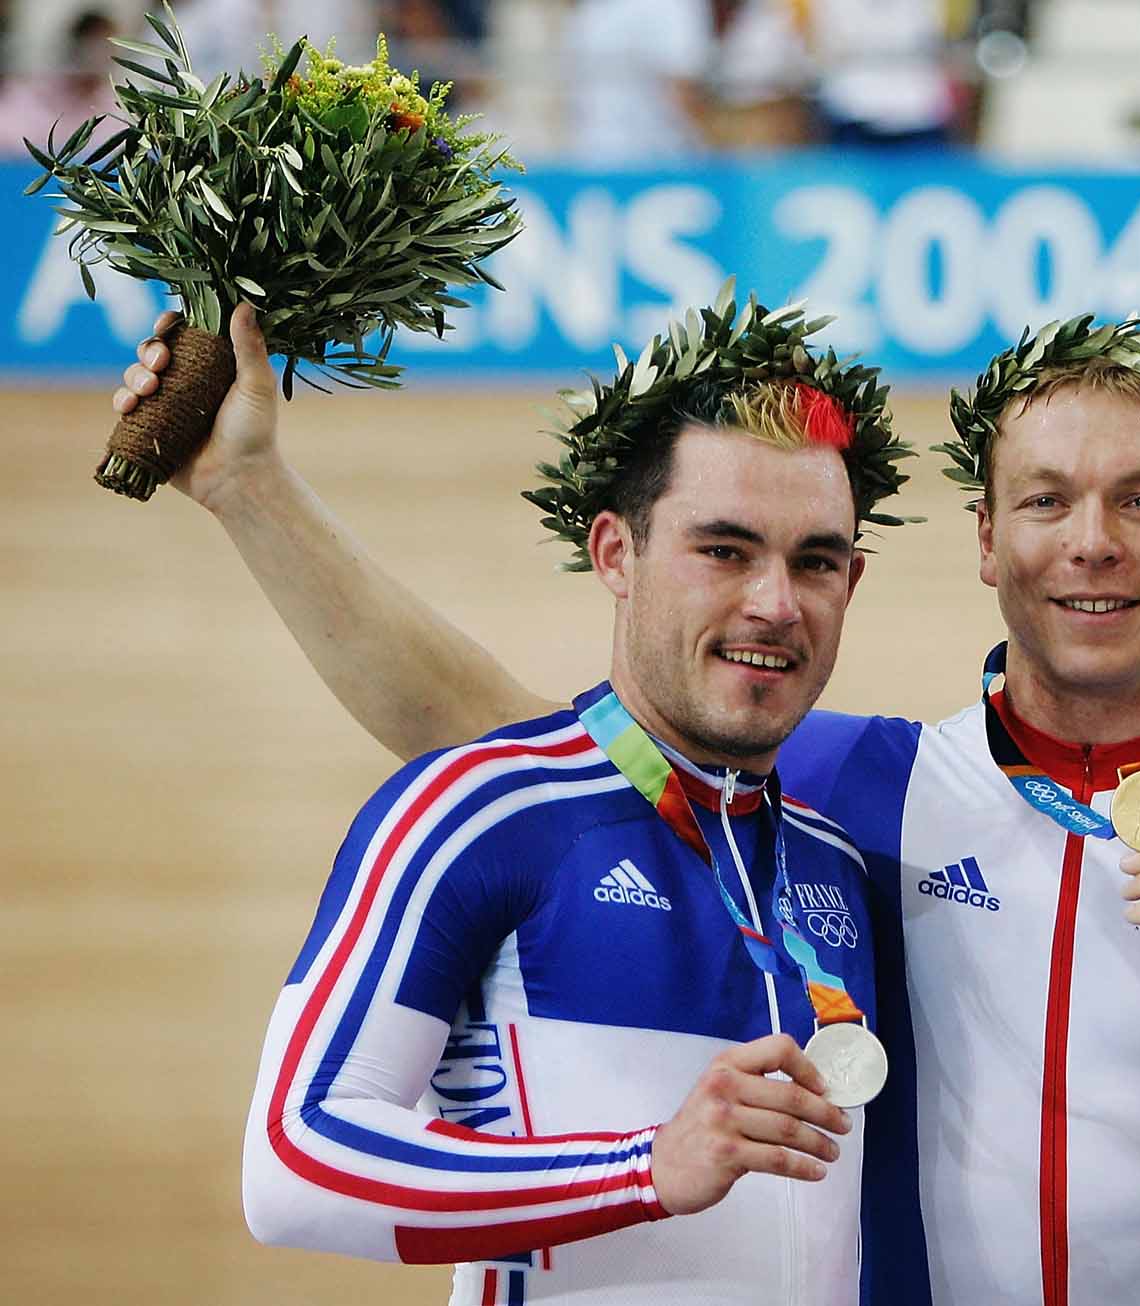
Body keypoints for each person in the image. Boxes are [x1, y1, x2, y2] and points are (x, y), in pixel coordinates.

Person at [115, 313, 1140, 1302]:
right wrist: (256, 496)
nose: (1090, 541)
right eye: (1045, 499)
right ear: (987, 538)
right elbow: (547, 758)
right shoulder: (852, 794)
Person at [220, 288, 913, 1304]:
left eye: (813, 560)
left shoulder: (837, 865)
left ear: (849, 583)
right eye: (723, 549)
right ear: (615, 554)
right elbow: (295, 1161)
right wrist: (639, 1167)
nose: (773, 600)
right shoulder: (474, 809)